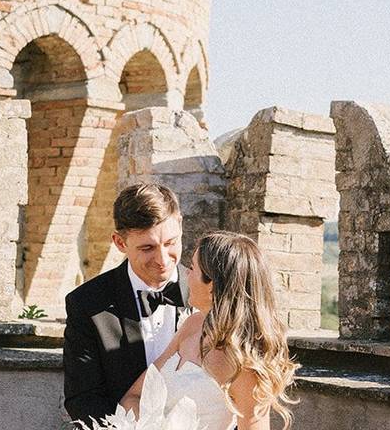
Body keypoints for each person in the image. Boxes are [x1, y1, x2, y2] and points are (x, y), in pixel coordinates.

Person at [118, 231, 298, 430]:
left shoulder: (245, 363)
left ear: (212, 284)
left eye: (193, 268)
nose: (186, 273)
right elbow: (133, 397)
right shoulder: (192, 325)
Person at [63, 183, 191, 427]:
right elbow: (84, 399)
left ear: (181, 225)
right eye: (147, 248)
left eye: (171, 243)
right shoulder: (87, 303)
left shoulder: (211, 295)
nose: (163, 259)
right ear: (120, 243)